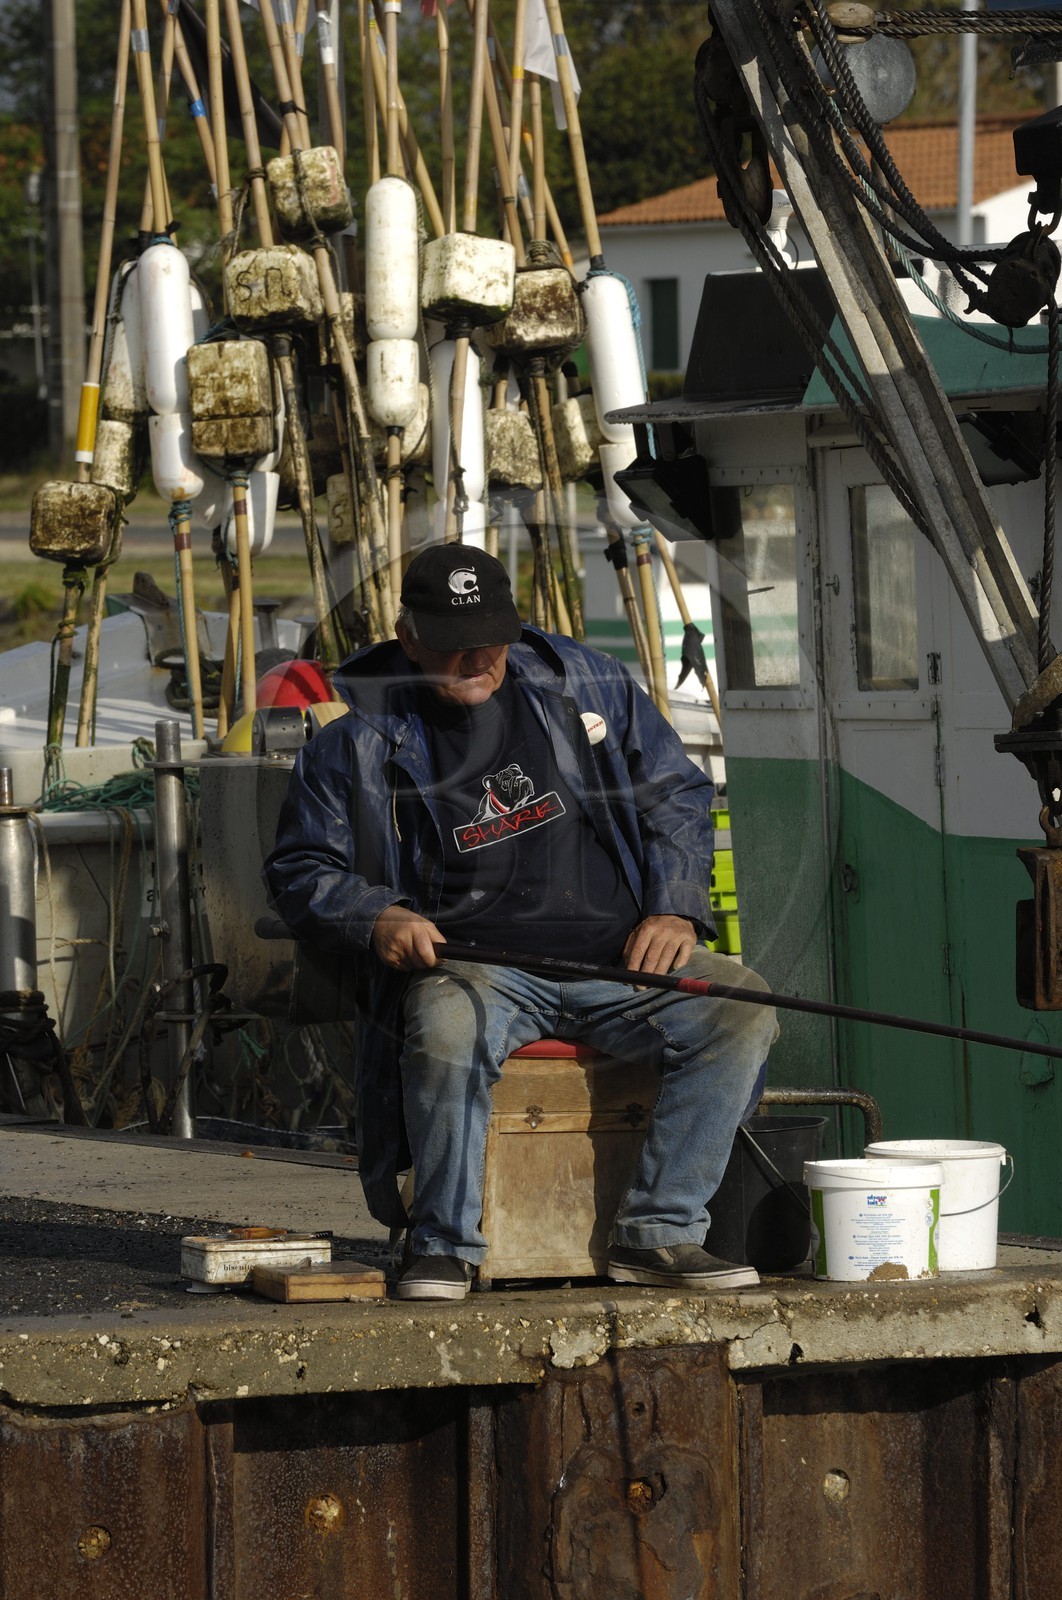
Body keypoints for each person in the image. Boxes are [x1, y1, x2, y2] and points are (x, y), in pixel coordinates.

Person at [264, 544, 778, 1301]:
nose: (476, 659)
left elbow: (678, 794)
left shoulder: (586, 682)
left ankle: (660, 1234)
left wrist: (674, 905)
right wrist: (378, 915)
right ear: (408, 639)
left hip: (618, 962)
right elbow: (300, 870)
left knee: (740, 1009)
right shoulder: (355, 742)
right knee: (444, 1029)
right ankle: (444, 1244)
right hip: (477, 968)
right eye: (451, 645)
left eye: (492, 640)